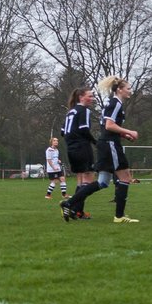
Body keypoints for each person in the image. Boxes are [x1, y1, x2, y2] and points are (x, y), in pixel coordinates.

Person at [62, 76, 139, 224]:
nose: (130, 91)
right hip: (110, 144)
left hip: (107, 143)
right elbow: (109, 126)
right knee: (125, 177)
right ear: (119, 89)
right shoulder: (115, 104)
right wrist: (130, 131)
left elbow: (107, 127)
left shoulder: (113, 103)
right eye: (128, 88)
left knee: (103, 182)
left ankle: (69, 203)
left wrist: (124, 134)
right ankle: (119, 216)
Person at [60, 87, 98, 219]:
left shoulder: (70, 112)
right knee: (89, 179)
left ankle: (77, 211)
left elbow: (62, 132)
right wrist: (95, 142)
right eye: (90, 96)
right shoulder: (84, 111)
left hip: (71, 148)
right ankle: (73, 208)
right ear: (81, 97)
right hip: (82, 147)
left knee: (80, 180)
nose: (92, 99)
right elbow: (84, 130)